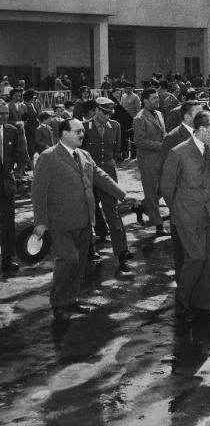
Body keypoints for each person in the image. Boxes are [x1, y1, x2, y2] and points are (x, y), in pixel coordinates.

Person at [32, 117, 134, 322]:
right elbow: (38, 191)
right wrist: (40, 221)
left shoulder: (84, 155)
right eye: (77, 131)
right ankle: (58, 302)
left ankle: (72, 299)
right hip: (60, 221)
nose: (82, 134)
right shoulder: (49, 157)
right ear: (64, 133)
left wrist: (122, 194)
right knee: (67, 260)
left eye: (82, 131)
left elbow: (100, 177)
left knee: (79, 264)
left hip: (85, 219)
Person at [160, 110, 210, 322]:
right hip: (188, 215)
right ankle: (182, 302)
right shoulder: (178, 152)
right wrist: (179, 209)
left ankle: (202, 304)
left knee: (209, 261)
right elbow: (166, 186)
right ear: (201, 130)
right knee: (196, 258)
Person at [82, 97, 134, 273]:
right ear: (96, 110)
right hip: (87, 175)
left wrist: (109, 166)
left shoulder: (116, 126)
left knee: (112, 211)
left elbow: (116, 151)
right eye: (104, 112)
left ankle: (122, 252)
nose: (107, 116)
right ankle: (89, 251)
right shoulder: (84, 127)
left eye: (109, 113)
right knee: (88, 212)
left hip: (107, 174)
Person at [160, 100, 202, 282]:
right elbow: (166, 176)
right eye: (198, 114)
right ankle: (184, 290)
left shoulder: (203, 135)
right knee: (183, 251)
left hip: (202, 202)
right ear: (186, 117)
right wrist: (174, 204)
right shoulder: (173, 137)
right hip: (182, 203)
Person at [133, 88, 168, 236]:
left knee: (163, 189)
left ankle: (141, 207)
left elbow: (163, 134)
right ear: (145, 100)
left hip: (161, 159)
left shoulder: (159, 114)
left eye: (157, 98)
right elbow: (139, 141)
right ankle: (159, 226)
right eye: (154, 98)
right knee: (152, 192)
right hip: (148, 160)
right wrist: (161, 146)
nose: (157, 101)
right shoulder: (139, 118)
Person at [0, 100, 24, 273]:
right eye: (0, 113)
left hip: (6, 186)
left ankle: (7, 259)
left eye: (6, 113)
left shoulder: (11, 131)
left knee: (8, 223)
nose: (4, 116)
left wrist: (14, 173)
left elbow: (16, 153)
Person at [120, 82, 141, 159]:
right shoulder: (123, 96)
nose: (126, 90)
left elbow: (138, 109)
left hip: (133, 119)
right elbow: (121, 107)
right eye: (125, 88)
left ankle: (133, 154)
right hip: (124, 120)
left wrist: (136, 120)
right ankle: (125, 154)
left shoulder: (135, 97)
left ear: (132, 88)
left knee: (133, 137)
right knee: (124, 136)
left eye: (128, 88)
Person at [23, 89, 42, 166]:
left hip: (35, 129)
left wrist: (38, 108)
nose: (35, 97)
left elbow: (39, 116)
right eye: (34, 96)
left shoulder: (33, 105)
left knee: (35, 147)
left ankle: (32, 164)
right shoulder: (24, 105)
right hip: (28, 130)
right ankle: (30, 165)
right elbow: (24, 120)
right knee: (30, 148)